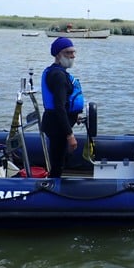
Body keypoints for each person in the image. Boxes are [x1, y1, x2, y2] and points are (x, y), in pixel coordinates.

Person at [41, 37, 85, 177]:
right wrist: (69, 134)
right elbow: (59, 106)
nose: (73, 56)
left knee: (61, 158)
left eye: (73, 52)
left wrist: (75, 114)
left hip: (56, 122)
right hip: (57, 126)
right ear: (58, 54)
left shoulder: (56, 71)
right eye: (68, 53)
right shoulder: (58, 76)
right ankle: (53, 186)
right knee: (57, 163)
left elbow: (65, 102)